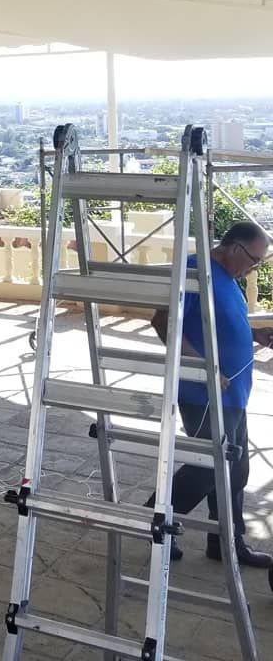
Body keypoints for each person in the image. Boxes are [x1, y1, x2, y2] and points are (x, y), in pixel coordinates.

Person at [145, 221, 273, 567]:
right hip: (202, 393)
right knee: (206, 468)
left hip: (233, 395)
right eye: (254, 260)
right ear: (234, 248)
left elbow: (218, 324)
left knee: (235, 470)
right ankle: (154, 523)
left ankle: (227, 543)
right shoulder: (195, 270)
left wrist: (257, 336)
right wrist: (204, 367)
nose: (254, 268)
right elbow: (163, 321)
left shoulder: (227, 276)